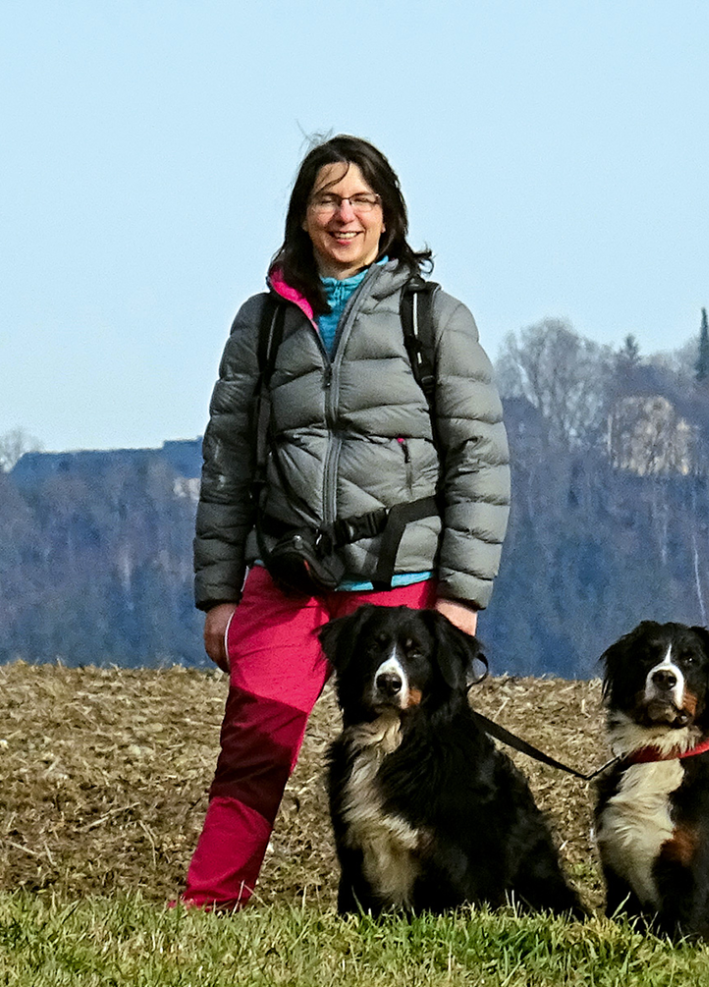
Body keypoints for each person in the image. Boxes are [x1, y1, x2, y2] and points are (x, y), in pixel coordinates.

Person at [179, 134, 510, 909]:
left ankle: (440, 908)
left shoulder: (435, 319)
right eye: (327, 198)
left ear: (388, 216)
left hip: (401, 579)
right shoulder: (261, 324)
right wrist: (218, 594)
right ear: (302, 216)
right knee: (255, 740)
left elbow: (481, 463)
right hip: (288, 575)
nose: (344, 214)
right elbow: (228, 462)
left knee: (422, 757)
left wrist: (460, 597)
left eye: (361, 199)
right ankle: (208, 904)